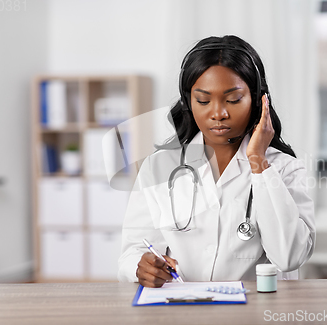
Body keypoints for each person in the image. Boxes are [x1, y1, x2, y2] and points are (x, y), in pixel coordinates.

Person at [117, 35, 315, 287]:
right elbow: (132, 250)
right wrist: (140, 267)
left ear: (258, 100)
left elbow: (290, 257)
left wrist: (258, 164)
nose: (218, 113)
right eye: (203, 100)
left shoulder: (285, 169)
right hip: (179, 308)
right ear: (188, 102)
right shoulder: (159, 167)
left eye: (233, 100)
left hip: (256, 312)